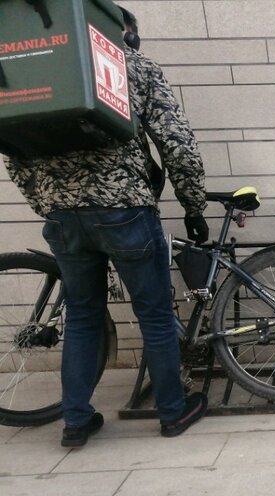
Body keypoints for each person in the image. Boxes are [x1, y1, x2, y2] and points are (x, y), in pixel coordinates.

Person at [3, 5, 209, 446]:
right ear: (124, 33)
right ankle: (173, 412)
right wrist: (193, 207)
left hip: (63, 217)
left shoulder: (38, 69)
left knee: (82, 317)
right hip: (125, 210)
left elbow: (14, 151)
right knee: (154, 315)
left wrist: (49, 205)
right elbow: (177, 144)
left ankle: (76, 422)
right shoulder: (133, 66)